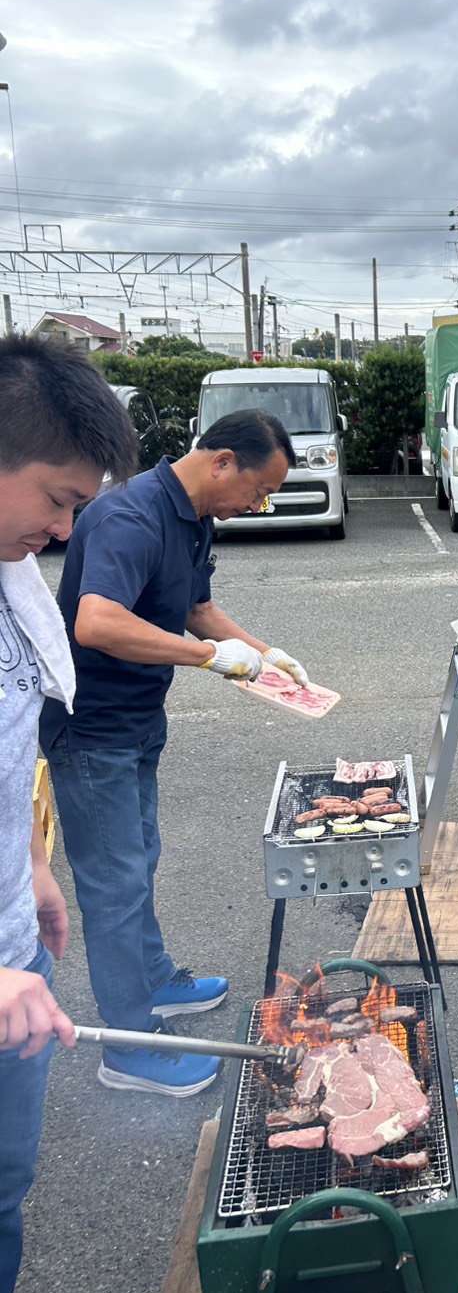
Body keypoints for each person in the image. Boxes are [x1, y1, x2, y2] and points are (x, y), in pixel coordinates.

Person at [40, 409, 309, 1099]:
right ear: (222, 461)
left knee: (140, 860)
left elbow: (195, 607)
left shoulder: (193, 517)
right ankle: (130, 1046)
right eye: (259, 490)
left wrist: (267, 653)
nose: (259, 504)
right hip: (92, 729)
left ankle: (153, 979)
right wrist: (208, 657)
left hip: (138, 721)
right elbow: (97, 621)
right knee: (115, 883)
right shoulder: (129, 516)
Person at [0, 334, 137, 1293]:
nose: (63, 529)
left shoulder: (12, 576)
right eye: (57, 497)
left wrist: (33, 863)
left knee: (4, 1188)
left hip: (14, 951)